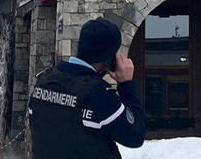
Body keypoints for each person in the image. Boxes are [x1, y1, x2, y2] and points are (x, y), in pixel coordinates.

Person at [28, 17, 146, 158]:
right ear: (110, 57)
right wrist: (126, 84)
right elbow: (135, 135)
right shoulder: (98, 95)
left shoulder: (45, 81)